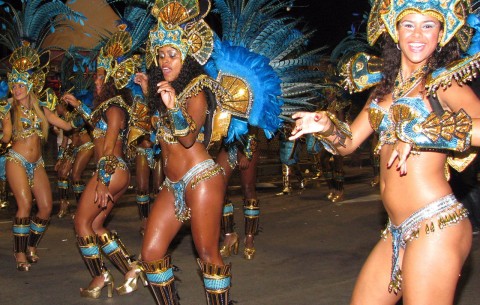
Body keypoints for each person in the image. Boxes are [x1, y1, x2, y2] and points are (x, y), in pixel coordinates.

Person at [289, 0, 480, 303]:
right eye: (409, 25)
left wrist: (423, 130)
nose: (417, 35)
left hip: (436, 224)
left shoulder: (443, 84)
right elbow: (348, 143)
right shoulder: (383, 91)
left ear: (441, 33)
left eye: (428, 25)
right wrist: (325, 126)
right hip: (396, 229)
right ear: (395, 30)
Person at [137, 1, 232, 304]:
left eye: (172, 54)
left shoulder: (196, 91)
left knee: (207, 253)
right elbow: (157, 132)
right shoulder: (165, 90)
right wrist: (150, 96)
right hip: (172, 184)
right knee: (151, 253)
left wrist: (173, 104)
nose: (165, 60)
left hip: (201, 178)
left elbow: (190, 138)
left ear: (186, 57)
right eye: (161, 54)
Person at [63, 29, 145, 298]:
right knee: (96, 225)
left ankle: (100, 276)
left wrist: (101, 181)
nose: (95, 82)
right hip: (118, 171)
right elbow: (99, 126)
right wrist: (78, 106)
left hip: (111, 170)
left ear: (111, 80)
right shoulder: (111, 108)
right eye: (95, 77)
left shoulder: (114, 107)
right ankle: (130, 269)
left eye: (100, 77)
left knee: (81, 223)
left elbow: (108, 146)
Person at [1, 46, 75, 272]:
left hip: (38, 164)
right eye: (14, 85)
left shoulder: (42, 110)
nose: (17, 89)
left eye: (21, 85)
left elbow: (69, 126)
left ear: (30, 86)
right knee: (24, 205)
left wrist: (77, 106)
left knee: (44, 208)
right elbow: (5, 137)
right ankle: (19, 251)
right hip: (16, 160)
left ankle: (31, 245)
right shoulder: (8, 111)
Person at [216, 126, 261, 260]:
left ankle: (249, 238)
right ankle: (229, 235)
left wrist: (247, 154)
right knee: (219, 187)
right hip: (228, 144)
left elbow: (254, 123)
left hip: (247, 144)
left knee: (248, 189)